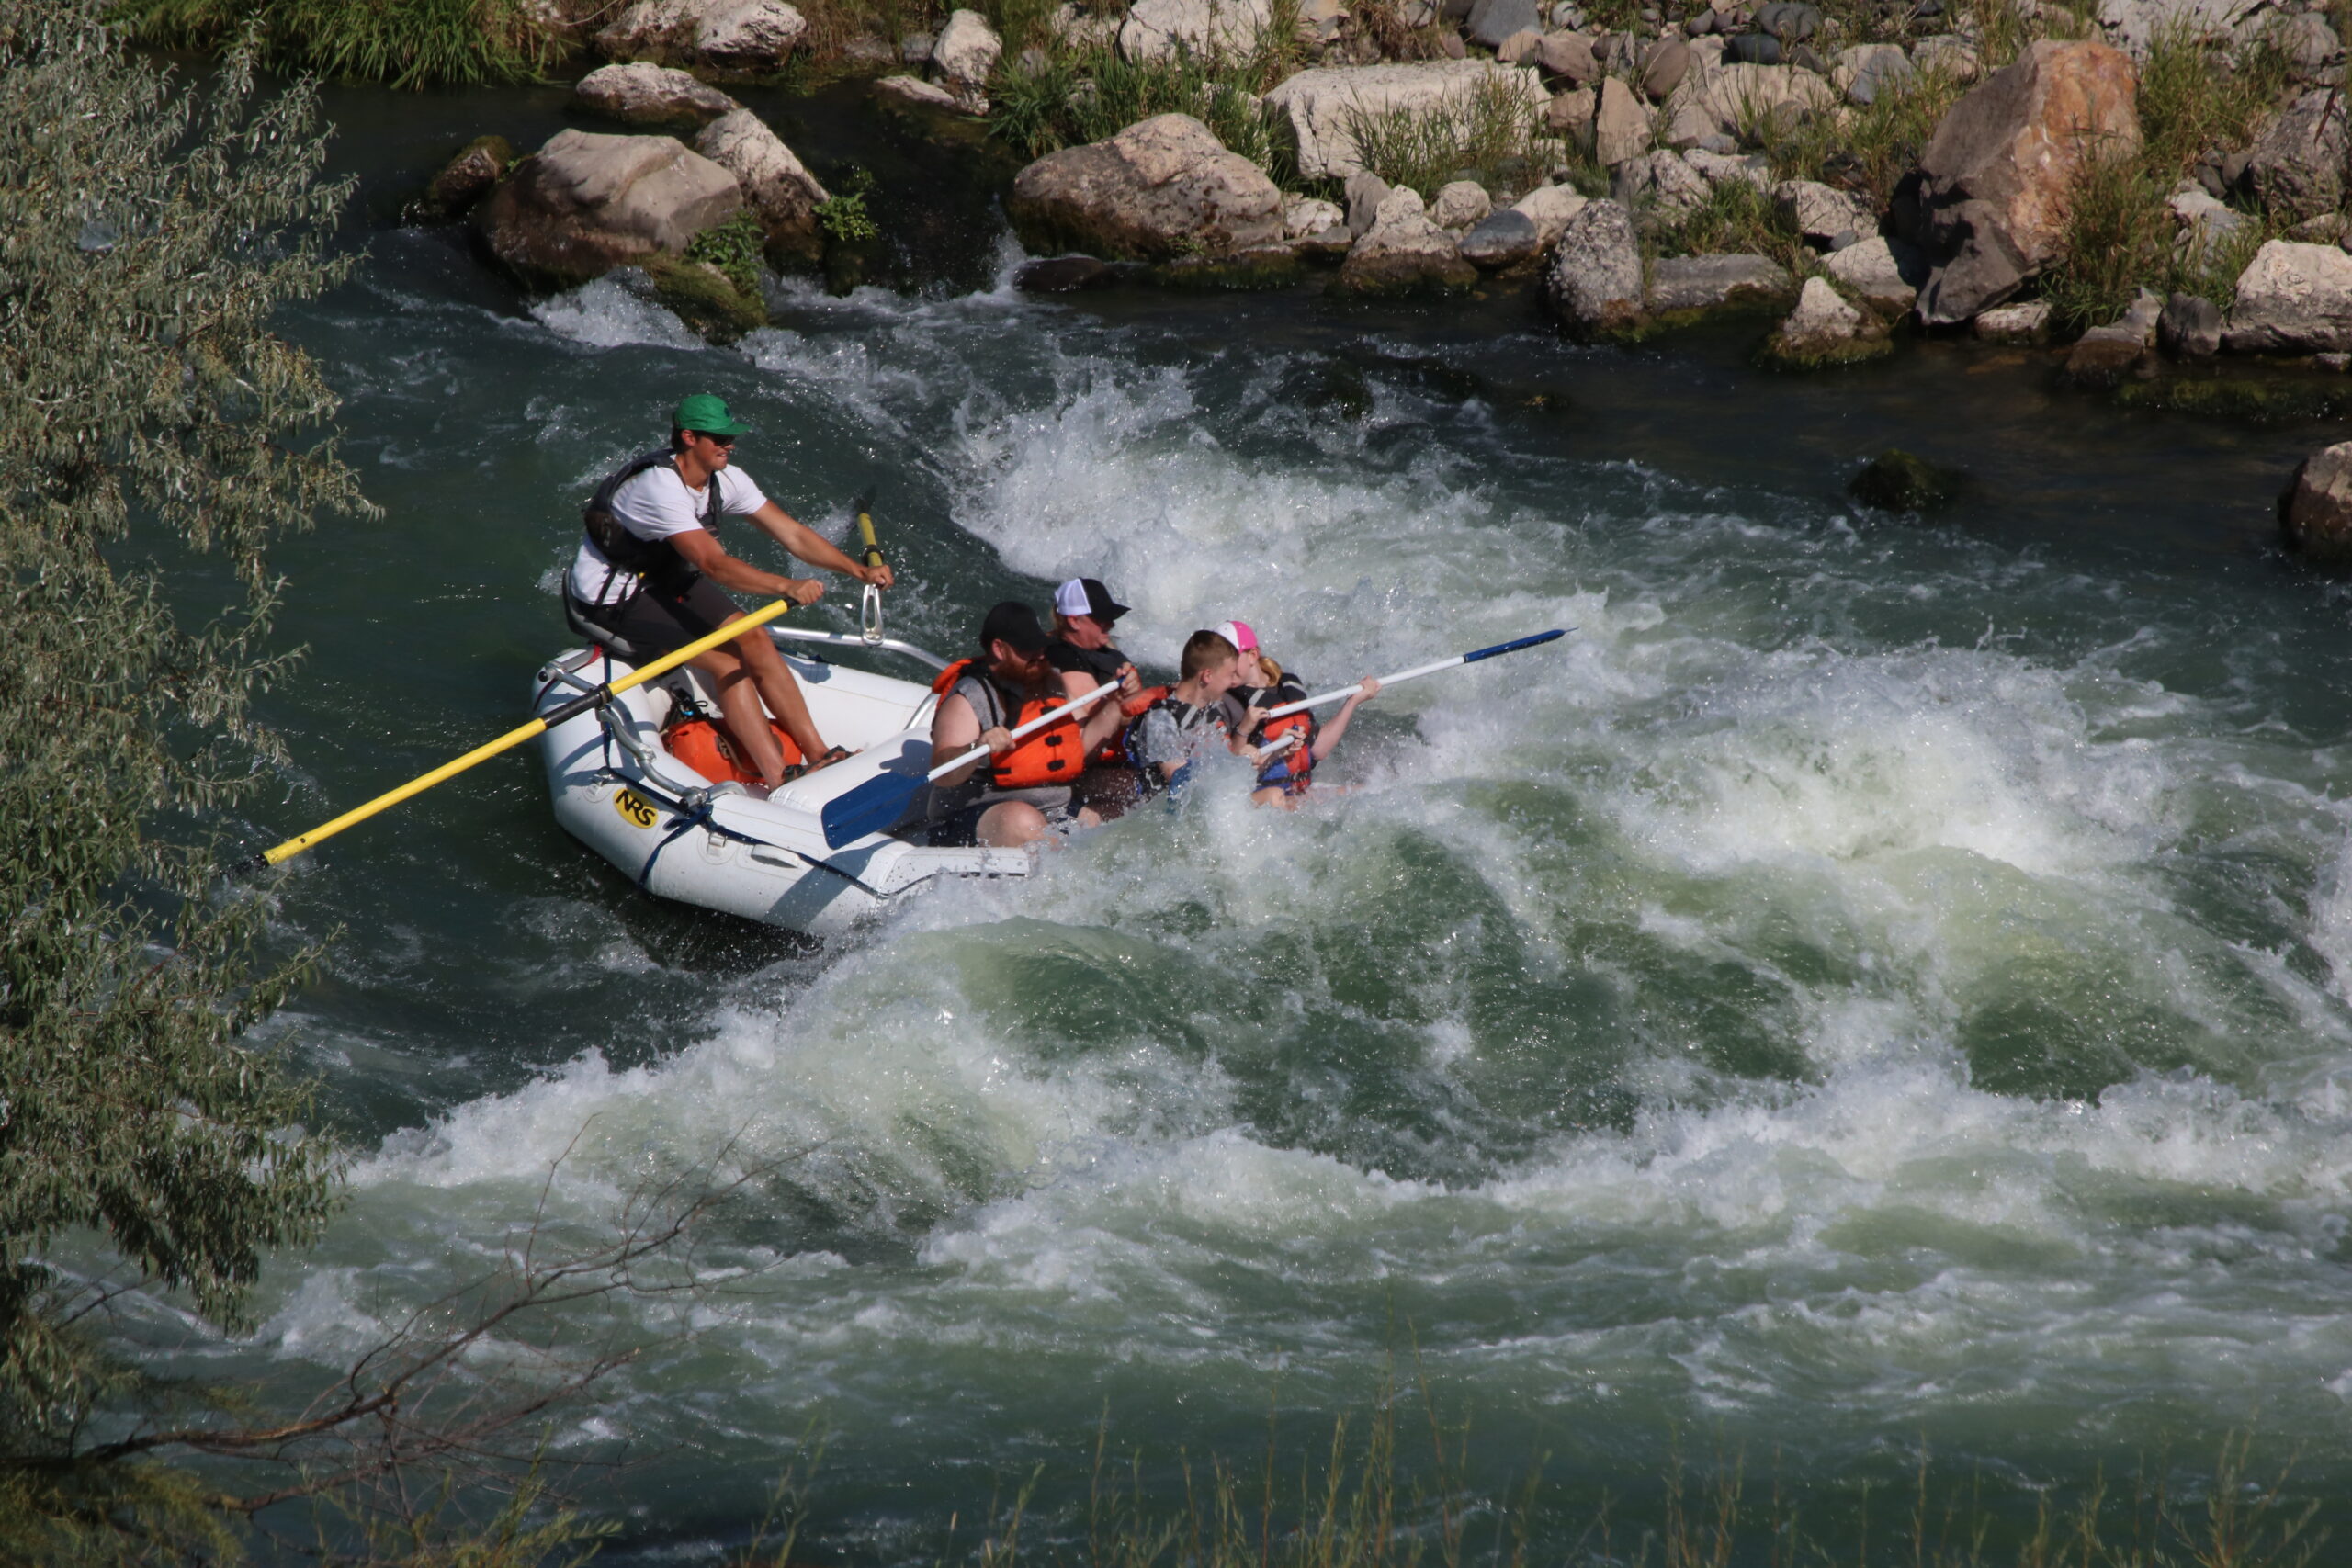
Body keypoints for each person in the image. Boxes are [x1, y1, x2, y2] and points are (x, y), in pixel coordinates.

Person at [565, 393, 892, 792]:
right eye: (719, 439)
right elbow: (714, 565)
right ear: (689, 438)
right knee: (726, 661)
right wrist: (785, 586)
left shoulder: (727, 479)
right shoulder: (659, 488)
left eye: (730, 438)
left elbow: (792, 534)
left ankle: (819, 755)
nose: (729, 445)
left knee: (753, 635)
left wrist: (856, 569)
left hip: (664, 574)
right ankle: (779, 777)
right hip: (612, 596)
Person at [923, 602, 1133, 849]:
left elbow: (1080, 749)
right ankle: (1065, 868)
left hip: (1055, 812)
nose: (1039, 655)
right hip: (976, 817)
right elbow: (943, 773)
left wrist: (1115, 704)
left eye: (1040, 648)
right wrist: (977, 746)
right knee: (1023, 820)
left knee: (1122, 810)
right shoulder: (970, 696)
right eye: (1027, 650)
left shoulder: (1052, 684)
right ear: (999, 649)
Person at [1213, 620, 1382, 807]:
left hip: (1299, 791)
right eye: (1217, 662)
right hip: (1263, 798)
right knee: (1277, 797)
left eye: (1230, 660)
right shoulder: (1223, 701)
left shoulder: (1289, 685)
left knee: (1372, 790)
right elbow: (1225, 775)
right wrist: (1252, 734)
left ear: (1253, 655)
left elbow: (1317, 749)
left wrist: (1353, 701)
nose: (1223, 668)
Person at [1046, 577, 1152, 818]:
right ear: (1073, 620)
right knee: (1146, 786)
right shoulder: (1062, 656)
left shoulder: (1103, 648)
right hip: (1081, 766)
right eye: (1101, 619)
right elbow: (1098, 714)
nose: (1110, 624)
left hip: (1115, 759)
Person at [1125, 629, 1248, 798]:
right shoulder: (1161, 719)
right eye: (1230, 675)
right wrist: (1235, 765)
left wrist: (1245, 761)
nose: (1234, 681)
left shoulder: (1211, 713)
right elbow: (1179, 781)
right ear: (1207, 676)